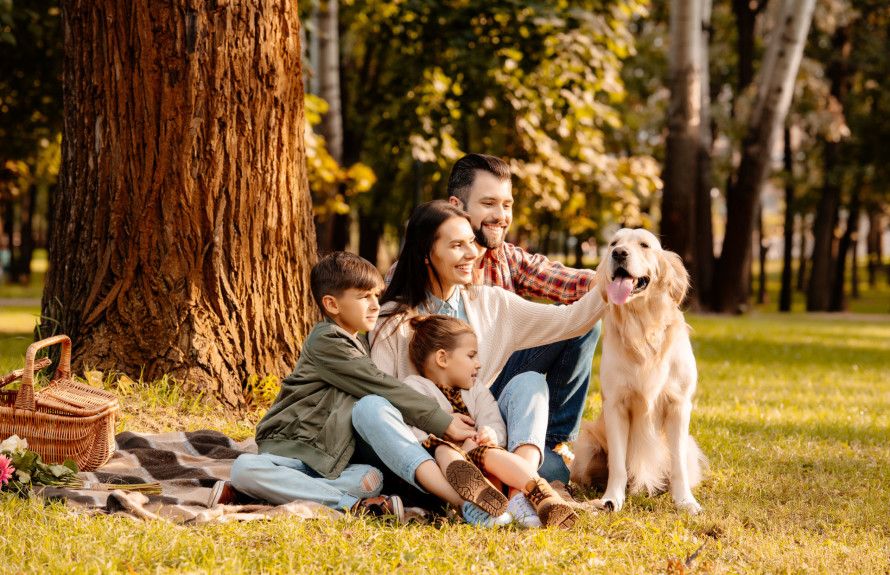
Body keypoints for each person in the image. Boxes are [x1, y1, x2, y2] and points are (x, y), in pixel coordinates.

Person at [353, 200, 605, 515]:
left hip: (484, 437)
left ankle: (519, 495)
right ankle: (481, 493)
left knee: (530, 384)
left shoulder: (491, 302)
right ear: (426, 254)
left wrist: (611, 283)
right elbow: (387, 399)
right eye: (456, 245)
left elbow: (570, 321)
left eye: (471, 242)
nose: (472, 253)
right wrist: (442, 426)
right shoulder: (391, 321)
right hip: (428, 449)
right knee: (552, 467)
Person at [227, 252, 468, 522]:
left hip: (332, 462)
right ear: (332, 304)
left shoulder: (359, 343)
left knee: (371, 479)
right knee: (244, 468)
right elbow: (381, 384)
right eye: (364, 297)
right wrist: (442, 421)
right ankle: (352, 505)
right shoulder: (327, 340)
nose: (375, 305)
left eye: (376, 295)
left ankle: (268, 492)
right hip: (295, 451)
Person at [404, 314, 579, 528]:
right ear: (442, 358)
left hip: (479, 455)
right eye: (471, 356)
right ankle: (491, 506)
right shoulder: (415, 388)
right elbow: (414, 432)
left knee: (491, 453)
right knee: (446, 453)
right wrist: (454, 441)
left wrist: (490, 433)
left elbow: (494, 421)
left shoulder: (476, 390)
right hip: (445, 463)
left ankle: (540, 494)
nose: (478, 364)